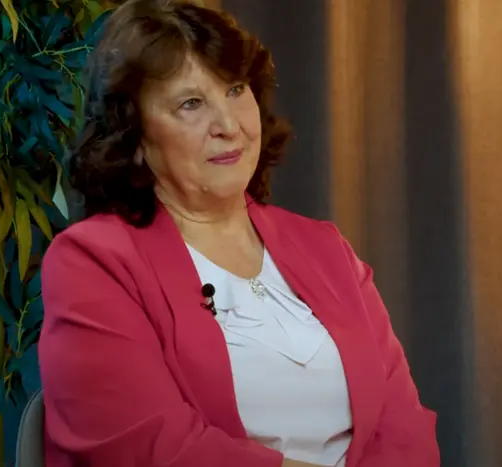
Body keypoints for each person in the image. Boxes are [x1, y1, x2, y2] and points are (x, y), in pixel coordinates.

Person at [38, 1, 440, 466]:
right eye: (191, 104)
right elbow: (155, 450)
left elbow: (404, 426)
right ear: (135, 135)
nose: (228, 126)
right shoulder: (92, 262)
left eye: (234, 90)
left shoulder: (325, 248)